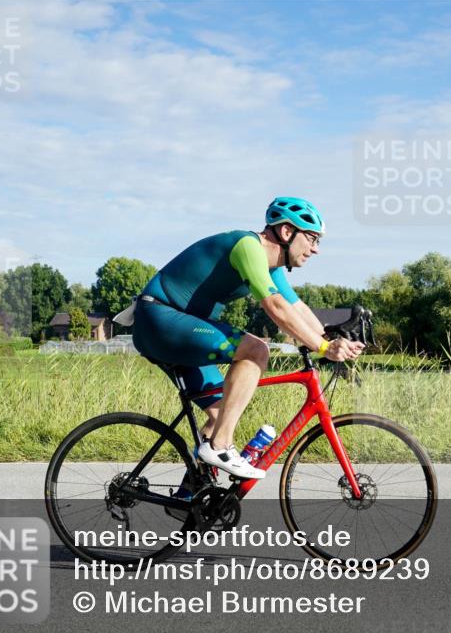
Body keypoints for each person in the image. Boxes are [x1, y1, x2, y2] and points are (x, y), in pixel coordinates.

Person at [131, 197, 364, 479]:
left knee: (219, 416)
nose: (316, 249)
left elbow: (296, 307)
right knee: (256, 350)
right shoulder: (248, 247)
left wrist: (331, 338)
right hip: (160, 317)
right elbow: (275, 307)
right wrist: (324, 347)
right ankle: (220, 447)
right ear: (287, 232)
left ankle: (193, 497)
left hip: (181, 325)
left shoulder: (272, 267)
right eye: (312, 238)